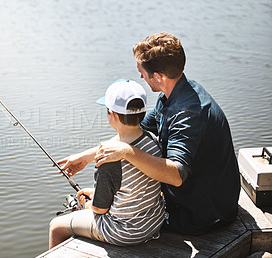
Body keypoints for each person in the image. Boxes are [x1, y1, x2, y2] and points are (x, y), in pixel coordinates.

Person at [57, 32, 240, 235]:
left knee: (87, 218)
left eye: (142, 72)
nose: (141, 77)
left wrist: (126, 152)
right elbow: (133, 130)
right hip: (200, 198)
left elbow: (176, 175)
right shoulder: (175, 93)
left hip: (204, 214)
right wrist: (85, 157)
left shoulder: (187, 114)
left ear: (159, 76)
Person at [49, 79, 165, 249]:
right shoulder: (152, 140)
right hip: (153, 222)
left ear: (113, 114)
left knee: (56, 226)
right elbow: (133, 186)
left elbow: (99, 209)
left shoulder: (109, 158)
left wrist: (88, 205)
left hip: (124, 232)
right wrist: (97, 192)